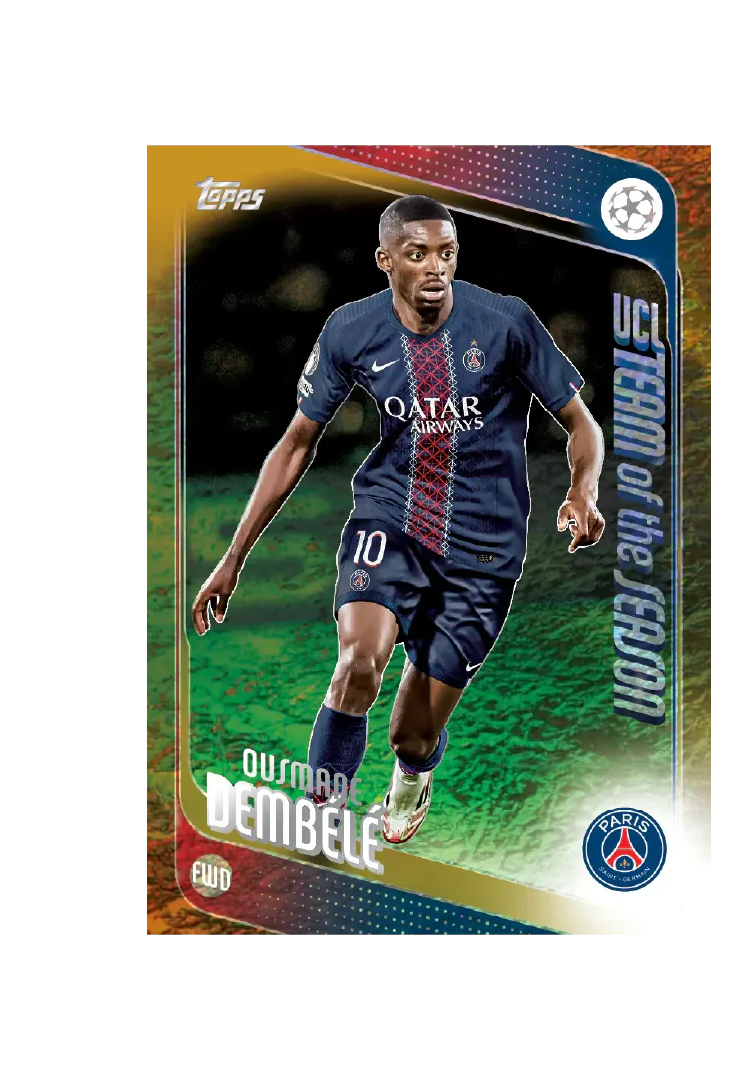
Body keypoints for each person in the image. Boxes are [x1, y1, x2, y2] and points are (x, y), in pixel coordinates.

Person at [192, 195, 605, 844]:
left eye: (447, 252)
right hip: (391, 519)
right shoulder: (352, 329)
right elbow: (298, 442)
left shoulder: (506, 322)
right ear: (385, 260)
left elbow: (581, 423)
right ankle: (320, 816)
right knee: (358, 662)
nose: (436, 267)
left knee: (410, 733)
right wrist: (233, 557)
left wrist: (582, 490)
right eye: (417, 254)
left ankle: (413, 775)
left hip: (486, 550)